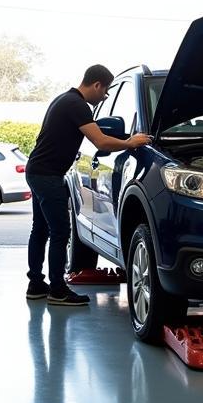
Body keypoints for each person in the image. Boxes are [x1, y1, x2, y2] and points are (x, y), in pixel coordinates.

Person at [25, 65, 151, 306]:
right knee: (60, 232)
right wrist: (131, 142)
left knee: (40, 229)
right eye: (104, 92)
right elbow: (101, 141)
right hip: (47, 176)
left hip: (38, 171)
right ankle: (58, 291)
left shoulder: (63, 99)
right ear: (96, 85)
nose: (103, 97)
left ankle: (36, 284)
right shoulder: (77, 105)